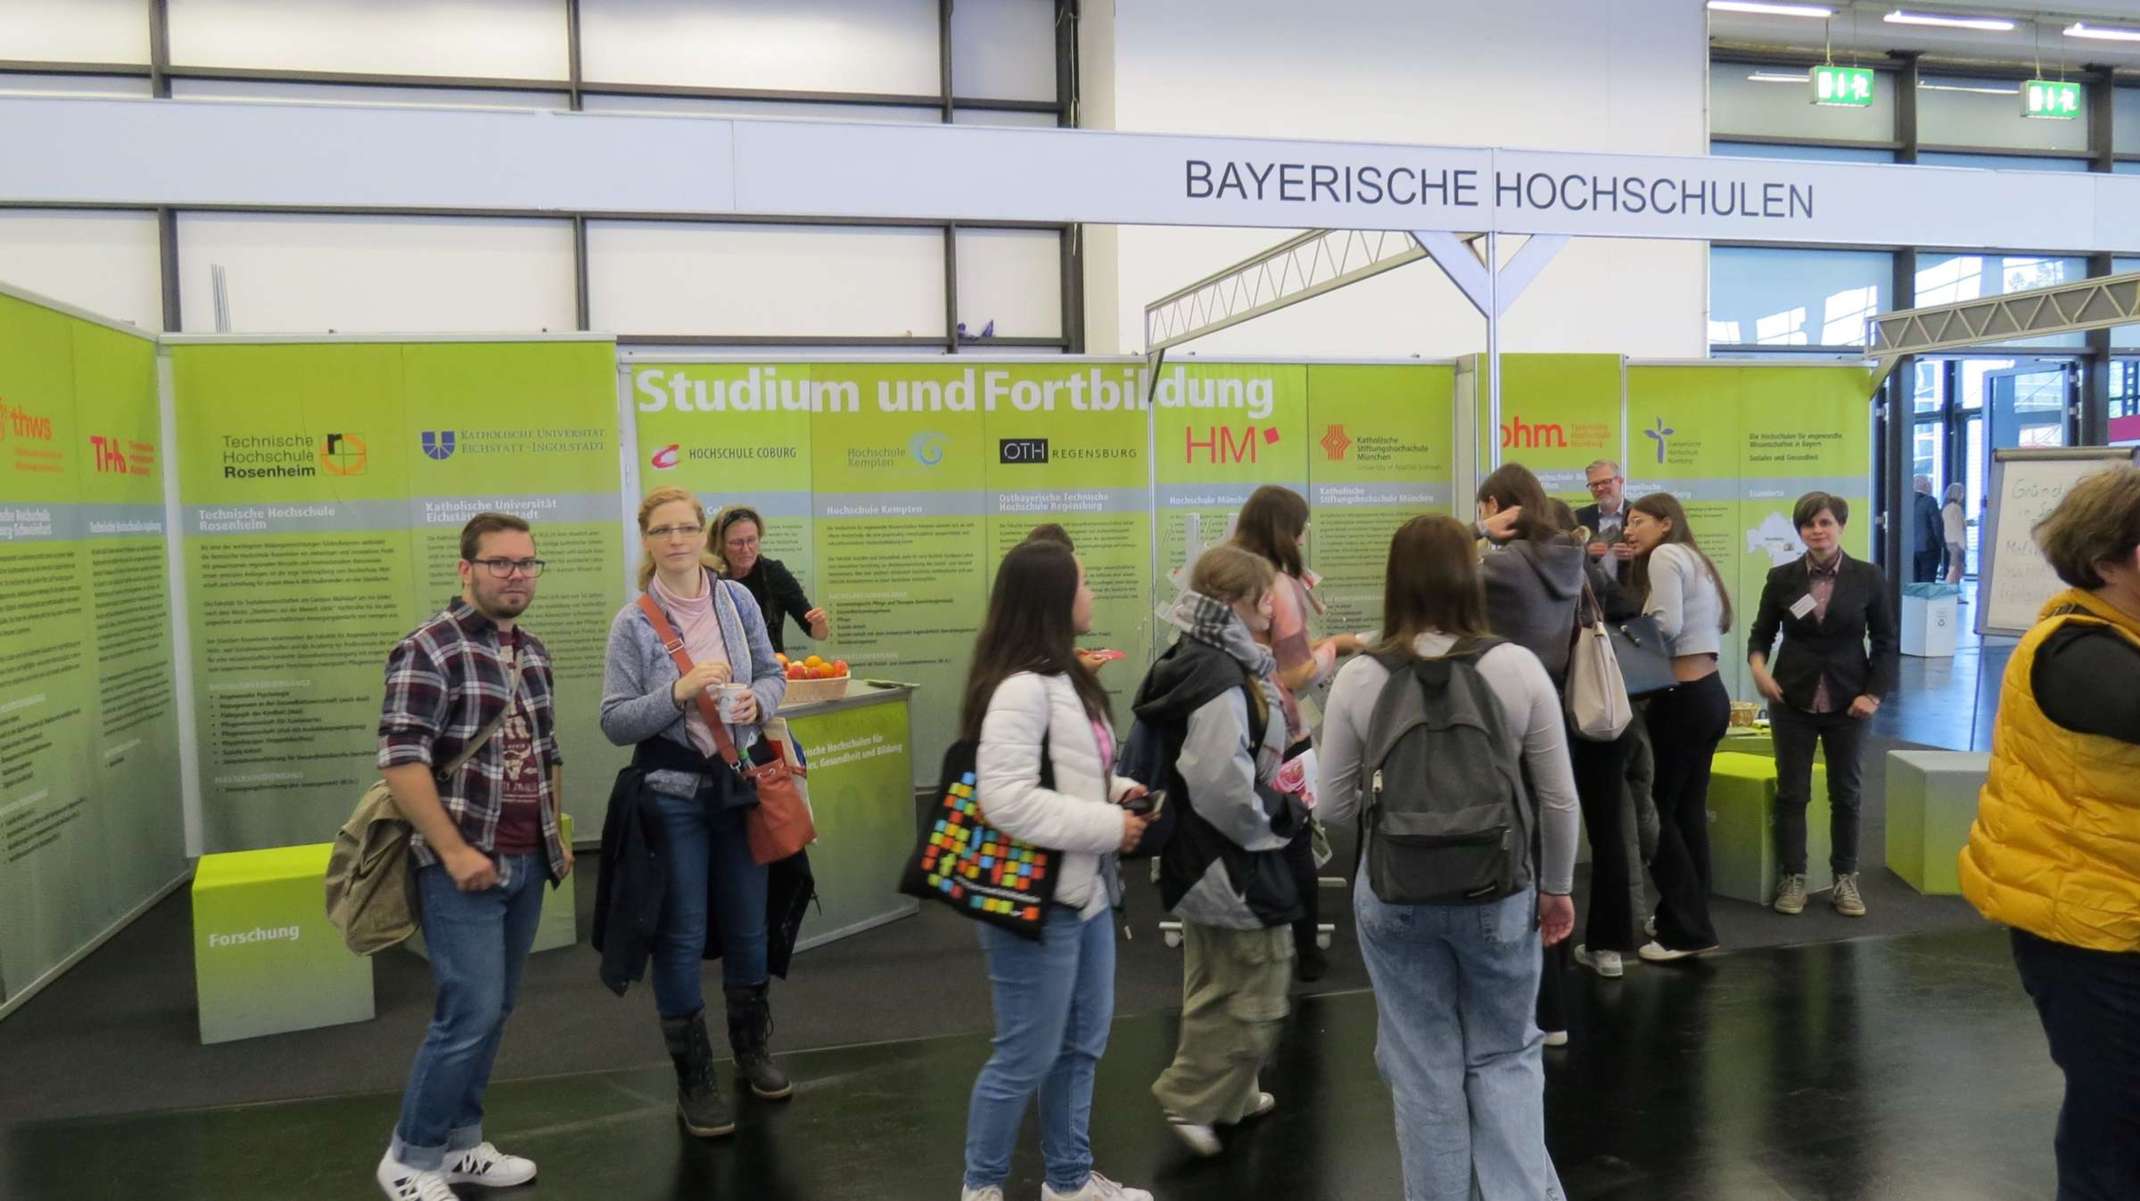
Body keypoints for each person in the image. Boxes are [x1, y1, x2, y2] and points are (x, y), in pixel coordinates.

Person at [1318, 514, 1578, 1201]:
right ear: (1471, 575)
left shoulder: (1359, 676)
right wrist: (1556, 888)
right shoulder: (1515, 666)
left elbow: (1333, 807)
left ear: (1394, 581)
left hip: (1394, 892)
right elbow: (1558, 801)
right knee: (1506, 1056)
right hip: (1499, 891)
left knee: (1422, 1067)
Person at [374, 512, 572, 1201]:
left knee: (495, 1008)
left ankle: (461, 1144)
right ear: (467, 569)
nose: (516, 574)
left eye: (526, 563)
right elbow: (402, 761)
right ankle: (409, 1155)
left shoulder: (535, 652)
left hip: (524, 859)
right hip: (463, 863)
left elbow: (548, 751)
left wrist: (556, 831)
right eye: (500, 563)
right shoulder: (430, 648)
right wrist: (453, 851)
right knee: (468, 1011)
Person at [1958, 465, 2140, 1201]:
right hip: (2090, 932)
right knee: (2117, 1125)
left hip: (2114, 917)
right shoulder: (2074, 651)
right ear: (2106, 561)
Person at [958, 539, 1153, 1201]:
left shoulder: (1062, 677)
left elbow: (1067, 773)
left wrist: (1116, 787)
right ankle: (981, 1187)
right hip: (1035, 900)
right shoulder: (1021, 688)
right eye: (1085, 582)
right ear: (1053, 597)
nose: (1093, 594)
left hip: (1084, 889)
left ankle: (1069, 1181)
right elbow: (1005, 797)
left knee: (1078, 1045)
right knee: (1025, 1053)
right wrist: (1108, 823)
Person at [599, 487, 794, 1140]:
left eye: (687, 527)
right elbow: (614, 720)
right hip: (672, 795)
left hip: (739, 786)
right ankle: (695, 1079)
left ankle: (751, 1049)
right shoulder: (634, 622)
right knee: (680, 932)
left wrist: (756, 704)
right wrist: (676, 691)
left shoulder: (735, 600)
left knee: (747, 922)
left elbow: (772, 672)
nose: (678, 539)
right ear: (647, 539)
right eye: (664, 530)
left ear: (701, 536)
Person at [1138, 543, 1302, 1157]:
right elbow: (1221, 785)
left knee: (1214, 977)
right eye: (1265, 596)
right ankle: (1191, 1097)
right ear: (1239, 602)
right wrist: (1278, 819)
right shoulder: (1222, 678)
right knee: (1260, 978)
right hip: (1226, 855)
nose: (1272, 606)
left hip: (1196, 855)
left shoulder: (1199, 659)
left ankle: (1230, 1097)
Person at [1229, 485, 1361, 982]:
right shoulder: (1277, 586)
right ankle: (1304, 952)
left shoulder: (1224, 575)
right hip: (1279, 730)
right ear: (1286, 530)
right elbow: (1296, 673)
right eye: (1301, 529)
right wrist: (1339, 647)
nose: (1303, 539)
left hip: (1233, 724)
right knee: (1294, 837)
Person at [1747, 492, 1897, 920]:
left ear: (1841, 526)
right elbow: (1761, 634)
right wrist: (1758, 667)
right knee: (1792, 793)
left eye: (1826, 522)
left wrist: (1874, 693)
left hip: (1849, 701)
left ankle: (1845, 878)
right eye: (1809, 524)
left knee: (1846, 793)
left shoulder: (1868, 577)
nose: (1818, 531)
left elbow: (1886, 642)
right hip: (1791, 697)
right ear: (1800, 531)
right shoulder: (1782, 578)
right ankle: (1792, 877)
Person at [1623, 492, 1732, 963]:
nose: (1629, 530)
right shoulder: (1695, 557)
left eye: (1639, 520)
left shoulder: (1665, 555)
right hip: (1709, 695)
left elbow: (1665, 625)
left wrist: (1618, 637)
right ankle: (1684, 915)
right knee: (1687, 812)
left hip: (1681, 701)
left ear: (1666, 524)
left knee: (1658, 815)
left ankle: (1688, 931)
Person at [712, 504, 828, 657]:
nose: (746, 549)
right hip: (723, 671)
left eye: (751, 540)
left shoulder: (774, 574)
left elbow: (818, 634)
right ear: (721, 545)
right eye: (737, 543)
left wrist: (819, 623)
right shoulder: (709, 577)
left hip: (769, 672)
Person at [1576, 458, 1634, 585]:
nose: (1600, 488)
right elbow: (1566, 557)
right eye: (1594, 484)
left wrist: (1634, 554)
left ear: (1620, 481)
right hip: (1591, 596)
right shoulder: (1578, 517)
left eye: (1606, 481)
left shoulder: (1639, 515)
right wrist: (1585, 553)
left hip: (1630, 595)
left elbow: (1652, 552)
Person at [1912, 475, 1944, 583]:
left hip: (1910, 548)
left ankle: (1913, 600)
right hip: (1928, 548)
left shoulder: (1905, 501)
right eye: (1930, 483)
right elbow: (1937, 526)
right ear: (1926, 486)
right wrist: (1941, 544)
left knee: (1914, 581)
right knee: (1927, 581)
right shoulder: (1930, 501)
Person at [1942, 483, 1967, 586]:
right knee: (1954, 570)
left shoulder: (1946, 507)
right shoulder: (1956, 508)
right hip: (1957, 542)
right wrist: (1963, 545)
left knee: (1955, 570)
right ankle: (1949, 593)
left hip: (1949, 541)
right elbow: (1958, 528)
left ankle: (1954, 594)